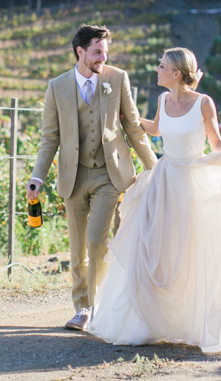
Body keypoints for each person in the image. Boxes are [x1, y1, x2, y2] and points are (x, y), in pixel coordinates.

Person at [86, 47, 221, 352]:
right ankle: (145, 322)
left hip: (191, 183)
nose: (157, 70)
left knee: (189, 251)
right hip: (163, 180)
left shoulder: (204, 104)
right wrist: (129, 119)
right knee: (152, 247)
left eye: (161, 66)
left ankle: (190, 322)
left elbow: (216, 143)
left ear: (176, 73)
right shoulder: (162, 99)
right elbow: (157, 130)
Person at [27, 24, 158, 331]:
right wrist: (37, 177)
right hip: (73, 177)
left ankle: (95, 306)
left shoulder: (117, 78)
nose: (103, 57)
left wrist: (154, 167)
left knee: (96, 242)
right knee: (77, 247)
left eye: (105, 52)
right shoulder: (56, 87)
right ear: (80, 52)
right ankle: (82, 308)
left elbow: (134, 129)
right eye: (97, 52)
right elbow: (49, 138)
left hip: (109, 176)